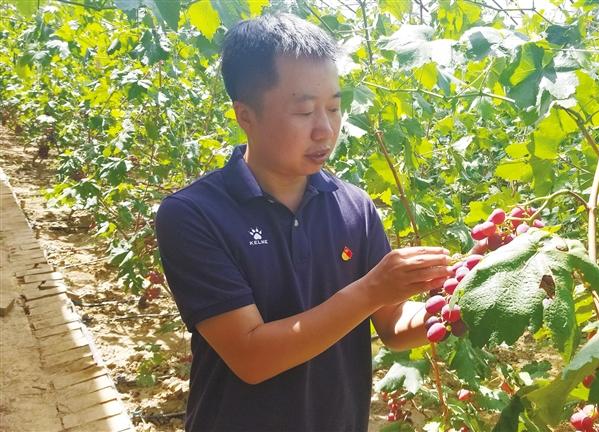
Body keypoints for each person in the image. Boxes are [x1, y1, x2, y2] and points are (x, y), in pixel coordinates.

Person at [154, 13, 451, 432]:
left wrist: (462, 303)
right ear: (246, 116)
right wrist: (371, 290)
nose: (325, 130)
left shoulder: (354, 207)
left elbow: (394, 325)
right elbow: (252, 357)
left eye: (334, 107)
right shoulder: (194, 214)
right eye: (305, 111)